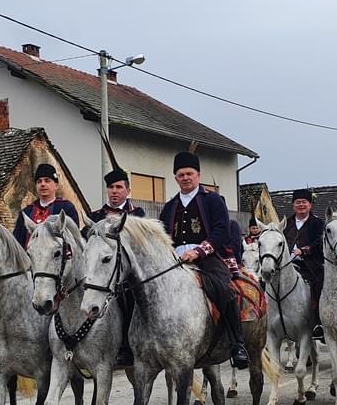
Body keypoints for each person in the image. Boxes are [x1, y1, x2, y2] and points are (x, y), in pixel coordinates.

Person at [158, 151, 249, 369]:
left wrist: (199, 251)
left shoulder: (213, 200)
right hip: (175, 260)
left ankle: (237, 343)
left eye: (189, 173)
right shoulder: (170, 206)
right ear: (175, 178)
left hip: (207, 258)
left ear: (198, 175)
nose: (186, 177)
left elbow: (221, 231)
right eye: (181, 174)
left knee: (225, 290)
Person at [87, 168, 145, 367]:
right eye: (111, 187)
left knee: (128, 298)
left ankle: (126, 348)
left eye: (119, 187)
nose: (114, 191)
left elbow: (140, 247)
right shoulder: (94, 216)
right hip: (99, 272)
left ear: (127, 190)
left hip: (126, 273)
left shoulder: (137, 214)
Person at [282, 188, 325, 339]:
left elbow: (320, 241)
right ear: (293, 205)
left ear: (310, 205)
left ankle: (319, 322)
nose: (301, 205)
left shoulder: (318, 223)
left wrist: (305, 250)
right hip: (287, 263)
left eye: (304, 202)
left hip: (311, 263)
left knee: (318, 283)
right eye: (298, 202)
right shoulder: (286, 223)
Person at [13, 163, 82, 248]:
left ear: (56, 185)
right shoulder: (26, 212)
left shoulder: (66, 208)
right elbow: (17, 244)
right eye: (39, 181)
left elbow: (75, 242)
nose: (42, 184)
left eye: (47, 180)